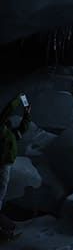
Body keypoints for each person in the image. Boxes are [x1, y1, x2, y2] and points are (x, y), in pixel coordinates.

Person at [0, 93, 32, 236]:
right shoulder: (1, 130)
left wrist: (27, 114)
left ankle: (4, 227)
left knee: (1, 194)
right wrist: (19, 99)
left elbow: (23, 128)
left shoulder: (12, 135)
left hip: (6, 167)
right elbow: (7, 111)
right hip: (2, 165)